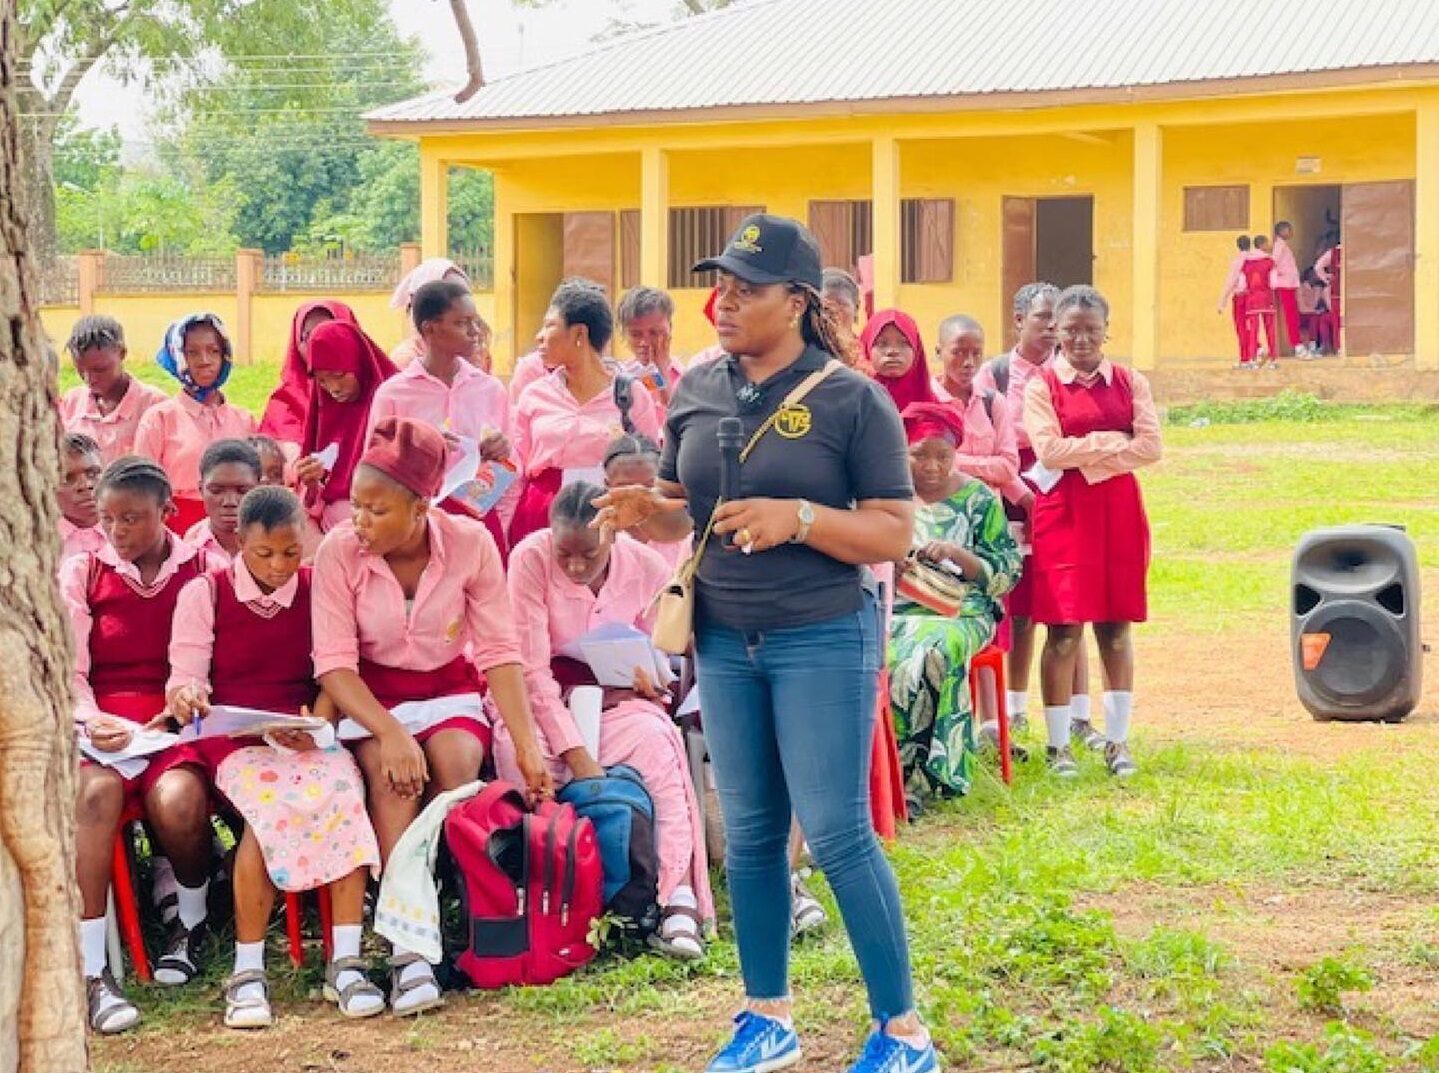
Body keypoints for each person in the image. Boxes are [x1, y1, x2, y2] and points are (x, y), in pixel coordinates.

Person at [594, 214, 936, 1073]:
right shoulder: (700, 389)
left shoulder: (851, 399)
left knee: (838, 830)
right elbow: (686, 507)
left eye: (747, 288)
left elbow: (893, 531)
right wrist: (651, 513)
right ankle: (766, 1015)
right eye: (721, 284)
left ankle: (902, 1033)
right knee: (748, 833)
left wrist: (803, 519)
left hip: (821, 633)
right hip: (723, 635)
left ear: (797, 302)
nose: (724, 301)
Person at [310, 417, 551, 1014]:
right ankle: (406, 951)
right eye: (356, 505)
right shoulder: (340, 551)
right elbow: (334, 665)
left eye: (377, 509)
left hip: (448, 690)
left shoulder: (470, 544)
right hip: (370, 697)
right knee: (396, 780)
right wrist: (389, 732)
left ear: (420, 509)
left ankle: (430, 912)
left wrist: (525, 744)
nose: (359, 520)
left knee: (457, 766)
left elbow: (497, 652)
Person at [166, 485, 383, 1028]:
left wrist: (320, 722)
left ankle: (347, 960)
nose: (279, 566)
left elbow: (337, 666)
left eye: (291, 552)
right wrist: (188, 695)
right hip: (235, 740)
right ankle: (248, 968)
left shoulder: (318, 588)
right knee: (268, 814)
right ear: (238, 541)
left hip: (305, 732)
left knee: (342, 792)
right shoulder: (207, 592)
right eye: (263, 554)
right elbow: (186, 678)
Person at [500, 482, 714, 958]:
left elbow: (670, 651)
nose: (575, 566)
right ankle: (541, 904)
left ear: (614, 535)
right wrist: (577, 755)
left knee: (662, 747)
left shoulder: (647, 565)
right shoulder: (530, 559)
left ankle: (676, 897)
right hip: (543, 703)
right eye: (566, 554)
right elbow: (530, 672)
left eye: (588, 555)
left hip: (617, 702)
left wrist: (651, 678)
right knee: (520, 759)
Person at [60, 458, 217, 1033]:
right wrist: (90, 717)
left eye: (131, 518)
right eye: (107, 519)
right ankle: (92, 971)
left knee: (178, 801)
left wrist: (184, 701)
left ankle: (192, 922)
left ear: (167, 513)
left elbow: (197, 659)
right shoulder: (83, 571)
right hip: (101, 725)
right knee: (94, 798)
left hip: (172, 724)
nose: (117, 531)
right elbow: (69, 668)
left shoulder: (202, 566)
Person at [1023, 286, 1162, 779]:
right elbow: (1047, 452)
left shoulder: (1129, 381)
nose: (1081, 339)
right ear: (1055, 332)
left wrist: (1083, 452)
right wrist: (1110, 443)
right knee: (1063, 630)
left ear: (1107, 330)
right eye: (1071, 330)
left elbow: (1150, 447)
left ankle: (1118, 742)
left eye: (1091, 330)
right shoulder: (1041, 385)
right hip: (1064, 516)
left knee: (1116, 628)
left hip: (1119, 515)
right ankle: (1058, 746)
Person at [972, 283, 1092, 739]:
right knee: (1019, 607)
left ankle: (1079, 715)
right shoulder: (995, 376)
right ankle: (1014, 709)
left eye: (1056, 319)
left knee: (1069, 602)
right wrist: (1021, 493)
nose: (1051, 328)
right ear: (1019, 320)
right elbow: (989, 439)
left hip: (1065, 490)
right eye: (1043, 317)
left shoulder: (1071, 373)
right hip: (1012, 493)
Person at [889, 403, 1021, 800]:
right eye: (919, 455)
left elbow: (1008, 568)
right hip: (898, 609)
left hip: (964, 610)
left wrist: (962, 558)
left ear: (956, 454)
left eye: (942, 456)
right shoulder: (889, 498)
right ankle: (887, 772)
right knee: (881, 653)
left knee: (933, 652)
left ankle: (927, 776)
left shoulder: (978, 498)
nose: (931, 466)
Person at [509, 278, 661, 547]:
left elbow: (651, 475)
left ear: (579, 334)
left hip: (607, 519)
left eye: (549, 326)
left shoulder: (632, 396)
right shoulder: (534, 395)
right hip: (539, 520)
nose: (539, 336)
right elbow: (516, 471)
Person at [367, 278, 514, 551]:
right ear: (430, 329)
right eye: (461, 323)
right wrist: (420, 446)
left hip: (480, 516)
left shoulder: (489, 389)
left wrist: (502, 451)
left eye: (475, 322)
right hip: (417, 525)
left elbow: (512, 464)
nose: (474, 332)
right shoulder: (394, 394)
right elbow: (374, 469)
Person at [134, 313, 256, 533]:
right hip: (175, 531)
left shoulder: (245, 420)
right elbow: (143, 487)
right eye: (193, 353)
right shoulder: (159, 419)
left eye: (213, 351)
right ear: (177, 357)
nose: (205, 361)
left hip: (236, 531)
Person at [293, 319, 398, 533]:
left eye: (339, 375)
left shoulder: (393, 401)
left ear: (360, 364)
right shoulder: (325, 410)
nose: (333, 388)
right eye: (322, 381)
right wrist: (312, 483)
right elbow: (313, 502)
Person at [929, 315, 1020, 493]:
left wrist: (954, 461)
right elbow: (925, 464)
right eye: (959, 352)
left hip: (987, 513)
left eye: (976, 353)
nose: (969, 362)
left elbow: (1009, 466)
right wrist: (988, 468)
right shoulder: (926, 403)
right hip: (941, 512)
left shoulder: (992, 403)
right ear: (939, 352)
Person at [60, 315, 167, 464]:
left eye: (100, 369)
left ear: (122, 353)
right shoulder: (71, 404)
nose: (89, 379)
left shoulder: (155, 406)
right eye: (81, 370)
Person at [258, 301, 358, 450]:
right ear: (296, 343)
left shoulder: (378, 394)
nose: (318, 343)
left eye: (329, 332)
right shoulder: (285, 404)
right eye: (308, 336)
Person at [602, 432, 684, 570]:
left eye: (649, 487)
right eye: (626, 488)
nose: (638, 496)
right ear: (607, 486)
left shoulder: (685, 537)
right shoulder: (598, 541)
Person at [388, 258, 483, 369]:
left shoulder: (476, 353)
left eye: (464, 293)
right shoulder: (405, 360)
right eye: (461, 323)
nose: (475, 331)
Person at [184, 439, 261, 566]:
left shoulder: (279, 541)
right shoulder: (189, 547)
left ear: (259, 490)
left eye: (242, 491)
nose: (229, 502)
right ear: (201, 490)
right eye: (216, 491)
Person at [616, 286, 685, 409]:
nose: (645, 342)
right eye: (636, 334)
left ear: (670, 328)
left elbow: (680, 419)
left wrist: (662, 371)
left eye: (654, 333)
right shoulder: (619, 379)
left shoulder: (688, 379)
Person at [859, 308, 938, 412]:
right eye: (882, 343)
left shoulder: (936, 415)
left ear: (917, 350)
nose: (892, 351)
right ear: (866, 348)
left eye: (904, 343)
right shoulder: (851, 404)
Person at [58, 432, 107, 562]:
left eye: (93, 474)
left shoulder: (135, 535)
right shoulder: (35, 543)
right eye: (67, 479)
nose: (85, 485)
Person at [1240, 235, 1279, 368]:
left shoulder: (1246, 263)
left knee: (1253, 330)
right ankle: (1273, 360)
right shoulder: (1270, 261)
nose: (1269, 245)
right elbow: (1274, 283)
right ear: (1262, 245)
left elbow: (1242, 284)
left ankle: (1252, 359)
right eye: (1267, 243)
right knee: (1270, 329)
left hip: (1252, 299)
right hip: (1267, 298)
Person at [1216, 235, 1252, 367]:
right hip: (1254, 297)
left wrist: (1222, 301)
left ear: (1238, 245)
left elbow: (1230, 282)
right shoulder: (1255, 259)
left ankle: (1245, 358)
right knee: (1252, 326)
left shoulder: (1238, 261)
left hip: (1241, 296)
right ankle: (1256, 349)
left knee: (1241, 326)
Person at [1272, 222, 1304, 357]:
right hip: (1284, 284)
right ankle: (1297, 345)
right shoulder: (1279, 246)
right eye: (1289, 230)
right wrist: (1279, 275)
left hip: (1289, 284)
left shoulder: (1283, 245)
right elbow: (1273, 262)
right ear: (1283, 231)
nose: (1291, 232)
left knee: (1294, 315)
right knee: (1291, 315)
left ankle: (1297, 344)